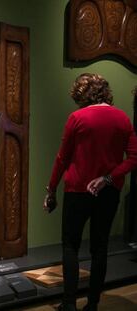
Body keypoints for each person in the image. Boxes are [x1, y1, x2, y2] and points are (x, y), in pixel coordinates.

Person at [43, 73, 137, 311]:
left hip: (77, 190)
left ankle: (69, 303)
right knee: (100, 246)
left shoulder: (77, 118)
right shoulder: (123, 119)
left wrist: (51, 190)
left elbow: (62, 158)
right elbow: (133, 159)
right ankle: (93, 304)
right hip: (108, 192)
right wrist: (108, 178)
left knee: (71, 245)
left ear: (81, 94)